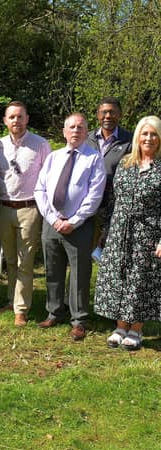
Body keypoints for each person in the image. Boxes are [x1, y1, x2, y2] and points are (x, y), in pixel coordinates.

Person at [34, 113, 106, 340]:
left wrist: (74, 221)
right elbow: (39, 190)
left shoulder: (94, 159)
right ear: (64, 132)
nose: (76, 131)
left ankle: (79, 320)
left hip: (79, 226)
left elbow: (95, 196)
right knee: (53, 270)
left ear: (87, 132)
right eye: (72, 127)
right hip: (51, 223)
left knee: (79, 274)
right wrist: (53, 219)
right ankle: (54, 312)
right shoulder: (53, 158)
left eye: (81, 127)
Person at [94, 115, 161, 350]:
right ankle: (120, 326)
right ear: (137, 137)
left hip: (148, 233)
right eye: (145, 133)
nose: (149, 138)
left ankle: (136, 330)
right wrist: (107, 230)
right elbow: (113, 201)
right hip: (120, 231)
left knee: (140, 280)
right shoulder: (124, 164)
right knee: (119, 277)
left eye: (153, 134)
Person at [0, 101, 51, 326]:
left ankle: (21, 310)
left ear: (27, 119)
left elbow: (47, 178)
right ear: (5, 121)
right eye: (11, 117)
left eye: (20, 116)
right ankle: (12, 300)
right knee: (10, 259)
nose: (16, 121)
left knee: (24, 260)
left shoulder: (41, 144)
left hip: (29, 208)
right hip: (5, 207)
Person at [85, 97, 132, 254]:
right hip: (86, 201)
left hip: (114, 204)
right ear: (98, 114)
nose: (108, 116)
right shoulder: (86, 138)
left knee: (109, 249)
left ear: (120, 115)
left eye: (112, 112)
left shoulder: (130, 140)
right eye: (104, 112)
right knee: (83, 249)